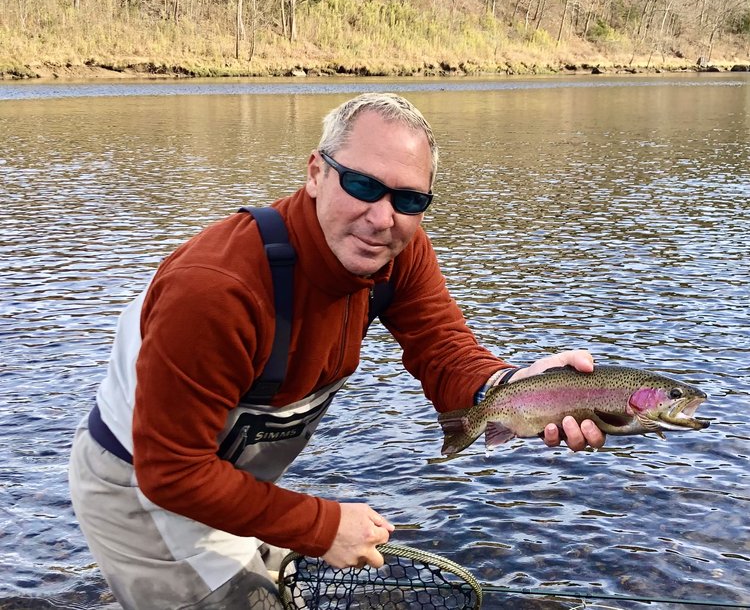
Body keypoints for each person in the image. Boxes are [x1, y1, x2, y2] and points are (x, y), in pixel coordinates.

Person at [69, 92, 605, 610]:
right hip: (142, 486)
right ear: (316, 173)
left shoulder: (399, 251)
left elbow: (443, 348)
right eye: (362, 185)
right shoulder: (215, 290)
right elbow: (172, 474)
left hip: (231, 480)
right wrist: (322, 526)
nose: (382, 218)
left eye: (409, 199)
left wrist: (513, 391)